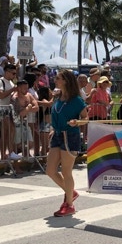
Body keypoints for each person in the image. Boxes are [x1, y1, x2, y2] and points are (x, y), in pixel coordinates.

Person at [46, 70, 87, 217]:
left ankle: (69, 204)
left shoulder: (76, 100)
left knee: (66, 171)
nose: (55, 80)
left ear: (65, 81)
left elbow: (85, 118)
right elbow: (55, 115)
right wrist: (53, 128)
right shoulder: (58, 97)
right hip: (57, 134)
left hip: (70, 135)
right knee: (50, 170)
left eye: (58, 78)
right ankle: (71, 192)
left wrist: (77, 122)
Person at [0, 63, 19, 160]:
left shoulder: (11, 82)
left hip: (9, 109)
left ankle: (4, 155)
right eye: (13, 73)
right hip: (1, 108)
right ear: (7, 72)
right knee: (10, 129)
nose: (14, 75)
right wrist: (13, 89)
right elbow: (1, 95)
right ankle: (10, 152)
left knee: (6, 133)